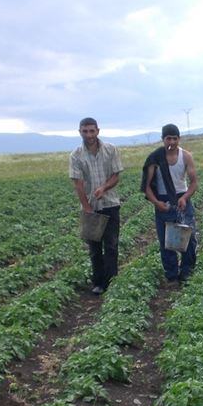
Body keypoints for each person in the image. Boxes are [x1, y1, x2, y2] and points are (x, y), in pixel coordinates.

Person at [69, 117, 124, 295]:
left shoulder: (110, 150)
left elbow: (116, 176)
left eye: (92, 131)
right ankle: (99, 282)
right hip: (90, 207)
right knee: (94, 249)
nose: (89, 135)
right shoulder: (76, 155)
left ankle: (111, 282)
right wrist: (86, 207)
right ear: (80, 132)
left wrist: (104, 188)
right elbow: (78, 183)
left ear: (98, 131)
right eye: (85, 131)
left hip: (110, 204)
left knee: (111, 246)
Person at [141, 123, 198, 285]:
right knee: (166, 240)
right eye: (168, 138)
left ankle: (187, 271)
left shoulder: (185, 156)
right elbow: (147, 187)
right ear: (163, 139)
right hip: (163, 200)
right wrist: (157, 203)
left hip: (182, 198)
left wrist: (185, 197)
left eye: (174, 138)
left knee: (188, 236)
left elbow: (194, 183)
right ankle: (172, 275)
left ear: (179, 139)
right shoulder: (155, 158)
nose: (171, 142)